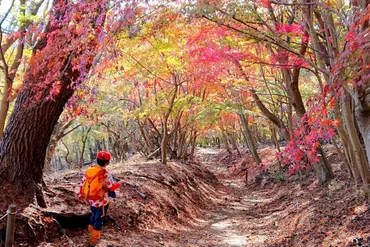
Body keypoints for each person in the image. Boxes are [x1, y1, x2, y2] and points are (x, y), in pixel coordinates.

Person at [78, 151, 120, 247]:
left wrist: (81, 194)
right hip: (101, 202)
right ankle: (94, 240)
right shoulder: (105, 174)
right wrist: (120, 183)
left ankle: (90, 233)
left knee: (93, 215)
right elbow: (111, 187)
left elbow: (83, 183)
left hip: (91, 200)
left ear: (97, 160)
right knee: (99, 219)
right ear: (108, 162)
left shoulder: (90, 170)